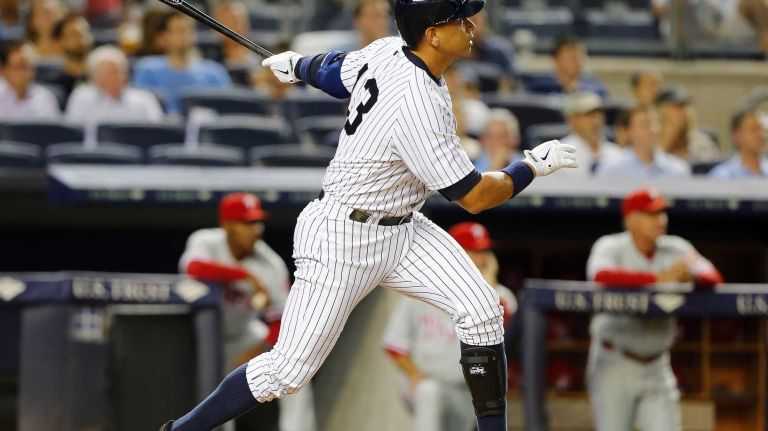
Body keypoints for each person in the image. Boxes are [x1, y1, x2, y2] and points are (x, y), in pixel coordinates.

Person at [159, 0, 578, 429]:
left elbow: (334, 71)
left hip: (403, 228)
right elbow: (475, 197)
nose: (471, 25)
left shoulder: (388, 50)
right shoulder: (416, 103)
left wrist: (299, 65)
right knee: (285, 372)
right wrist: (530, 167)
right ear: (432, 35)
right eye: (458, 19)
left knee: (482, 311)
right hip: (342, 237)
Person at [586, 187, 723, 431]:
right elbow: (600, 275)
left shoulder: (677, 248)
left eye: (662, 213)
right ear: (631, 219)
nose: (661, 219)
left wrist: (692, 276)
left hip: (657, 365)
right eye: (651, 214)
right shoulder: (610, 246)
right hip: (615, 361)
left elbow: (714, 277)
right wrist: (657, 279)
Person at [178, 193, 318, 431]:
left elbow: (283, 321)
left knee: (294, 368)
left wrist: (260, 347)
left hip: (244, 335)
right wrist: (243, 275)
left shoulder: (270, 264)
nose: (255, 230)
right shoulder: (206, 241)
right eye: (246, 223)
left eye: (257, 223)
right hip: (200, 335)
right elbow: (193, 267)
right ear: (227, 225)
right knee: (210, 393)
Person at [382, 222, 516, 431]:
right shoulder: (421, 290)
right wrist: (414, 374)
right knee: (429, 392)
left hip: (467, 390)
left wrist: (489, 289)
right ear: (454, 254)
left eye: (484, 251)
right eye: (474, 252)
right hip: (428, 382)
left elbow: (509, 340)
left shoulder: (501, 296)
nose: (481, 258)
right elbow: (394, 344)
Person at [133, 10, 231, 116]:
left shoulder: (214, 71)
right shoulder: (148, 69)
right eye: (179, 30)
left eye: (189, 29)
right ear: (163, 37)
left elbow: (226, 109)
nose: (185, 35)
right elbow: (140, 109)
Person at [65, 45, 164, 126]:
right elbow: (74, 133)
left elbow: (156, 132)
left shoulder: (144, 99)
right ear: (96, 77)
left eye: (123, 71)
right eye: (113, 72)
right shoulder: (82, 98)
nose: (121, 76)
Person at [596, 106, 690, 177]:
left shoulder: (678, 169)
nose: (652, 130)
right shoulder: (612, 168)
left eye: (654, 123)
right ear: (629, 132)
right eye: (644, 125)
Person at [651, 0, 768, 57]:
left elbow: (717, 14)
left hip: (720, 29)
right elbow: (658, 9)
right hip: (690, 31)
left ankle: (765, 36)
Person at [558, 91, 622, 176]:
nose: (596, 122)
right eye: (589, 116)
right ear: (573, 120)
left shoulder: (617, 154)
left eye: (599, 116)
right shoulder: (559, 156)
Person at [524, 34, 607, 98]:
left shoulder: (595, 90)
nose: (577, 62)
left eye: (580, 56)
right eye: (571, 58)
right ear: (555, 59)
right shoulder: (538, 89)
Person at [655, 86, 720, 163]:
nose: (682, 112)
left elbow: (711, 164)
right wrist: (667, 138)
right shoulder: (653, 141)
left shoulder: (700, 141)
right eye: (676, 107)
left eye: (683, 107)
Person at [0, 40, 60, 119]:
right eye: (20, 66)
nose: (27, 72)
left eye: (29, 66)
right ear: (3, 71)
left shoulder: (45, 98)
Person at [463, 9, 516, 92]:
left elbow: (510, 83)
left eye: (475, 21)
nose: (469, 27)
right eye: (464, 23)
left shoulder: (500, 50)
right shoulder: (452, 50)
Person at [709, 109, 768, 178]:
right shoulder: (721, 175)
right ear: (736, 135)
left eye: (762, 129)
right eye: (753, 129)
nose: (760, 134)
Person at [50, 14, 93, 99]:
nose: (81, 39)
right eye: (74, 35)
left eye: (85, 33)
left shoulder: (102, 77)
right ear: (60, 41)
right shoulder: (54, 83)